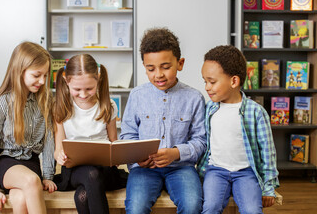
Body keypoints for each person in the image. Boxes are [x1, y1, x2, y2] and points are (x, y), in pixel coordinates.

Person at [120, 27, 207, 214]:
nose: (158, 74)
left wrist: (175, 153)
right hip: (144, 170)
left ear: (180, 63)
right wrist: (137, 158)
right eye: (150, 69)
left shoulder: (194, 98)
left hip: (181, 168)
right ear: (144, 67)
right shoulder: (136, 96)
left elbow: (201, 141)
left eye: (166, 67)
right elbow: (127, 135)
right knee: (135, 208)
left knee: (192, 205)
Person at [198, 45, 279, 214]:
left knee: (252, 211)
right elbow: (203, 143)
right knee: (210, 208)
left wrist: (268, 187)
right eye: (205, 81)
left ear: (234, 81)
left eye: (212, 82)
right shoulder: (209, 109)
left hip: (246, 173)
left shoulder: (255, 112)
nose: (206, 87)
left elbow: (268, 152)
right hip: (216, 171)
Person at [0, 41, 56, 213]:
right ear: (20, 71)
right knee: (32, 181)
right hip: (7, 163)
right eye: (37, 75)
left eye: (45, 75)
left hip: (32, 164)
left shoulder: (46, 103)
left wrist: (48, 176)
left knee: (20, 200)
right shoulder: (2, 104)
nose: (42, 81)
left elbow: (50, 142)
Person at [53, 54, 127, 214]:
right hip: (74, 170)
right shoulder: (61, 107)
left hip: (104, 170)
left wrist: (117, 155)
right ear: (67, 81)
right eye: (77, 89)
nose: (83, 94)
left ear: (98, 79)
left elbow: (113, 141)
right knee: (91, 175)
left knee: (83, 195)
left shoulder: (108, 105)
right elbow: (58, 148)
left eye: (89, 89)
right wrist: (60, 156)